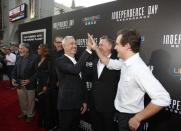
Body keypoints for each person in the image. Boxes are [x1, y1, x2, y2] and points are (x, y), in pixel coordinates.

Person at [88, 29, 171, 131]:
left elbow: (163, 98)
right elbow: (108, 62)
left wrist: (137, 118)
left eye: (117, 44)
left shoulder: (139, 69)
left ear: (127, 46)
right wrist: (96, 48)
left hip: (131, 118)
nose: (115, 47)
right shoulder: (125, 62)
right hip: (122, 116)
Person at [56, 36, 92, 131]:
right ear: (64, 46)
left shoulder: (77, 61)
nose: (74, 46)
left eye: (75, 43)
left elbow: (82, 83)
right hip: (66, 105)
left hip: (78, 104)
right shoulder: (60, 61)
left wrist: (84, 101)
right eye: (71, 43)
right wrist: (88, 50)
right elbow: (75, 70)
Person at [89, 35, 120, 131]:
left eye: (101, 45)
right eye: (98, 45)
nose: (98, 47)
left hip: (109, 108)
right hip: (94, 106)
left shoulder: (117, 62)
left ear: (110, 47)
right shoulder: (95, 61)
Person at [11, 43, 37, 122]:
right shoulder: (18, 57)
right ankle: (24, 112)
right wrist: (13, 78)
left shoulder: (35, 58)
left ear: (27, 49)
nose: (20, 50)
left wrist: (30, 80)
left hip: (30, 84)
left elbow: (38, 72)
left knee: (30, 101)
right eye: (19, 48)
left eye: (22, 48)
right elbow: (14, 70)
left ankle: (30, 114)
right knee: (22, 100)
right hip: (19, 83)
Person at [35, 44, 51, 128]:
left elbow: (50, 73)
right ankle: (40, 120)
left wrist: (46, 85)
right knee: (39, 103)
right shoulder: (38, 58)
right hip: (38, 83)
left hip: (45, 84)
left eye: (39, 49)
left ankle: (46, 122)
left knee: (45, 104)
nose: (37, 50)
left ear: (43, 50)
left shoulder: (48, 59)